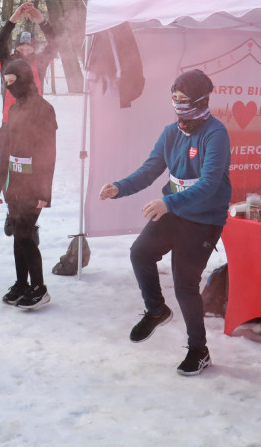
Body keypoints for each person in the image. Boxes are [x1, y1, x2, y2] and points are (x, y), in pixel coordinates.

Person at [98, 69, 231, 376]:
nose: (178, 105)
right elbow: (149, 169)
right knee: (139, 253)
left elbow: (210, 184)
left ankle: (199, 350)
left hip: (203, 220)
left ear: (200, 100)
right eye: (174, 99)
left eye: (184, 100)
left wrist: (167, 202)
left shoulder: (216, 133)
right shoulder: (171, 133)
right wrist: (119, 187)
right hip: (172, 211)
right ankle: (157, 310)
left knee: (185, 284)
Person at [0, 58, 57, 310]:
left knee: (23, 232)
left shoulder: (45, 109)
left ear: (25, 78)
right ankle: (22, 283)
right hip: (14, 183)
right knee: (18, 234)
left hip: (34, 183)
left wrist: (44, 191)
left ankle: (39, 288)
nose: (10, 87)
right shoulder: (14, 110)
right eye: (6, 83)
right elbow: (6, 150)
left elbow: (48, 152)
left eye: (13, 81)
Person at [0, 2, 58, 123]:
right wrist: (14, 19)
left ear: (34, 48)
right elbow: (0, 42)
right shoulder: (6, 61)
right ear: (16, 47)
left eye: (28, 46)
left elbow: (54, 44)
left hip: (35, 122)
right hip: (9, 122)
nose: (25, 50)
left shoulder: (40, 61)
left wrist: (41, 20)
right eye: (21, 46)